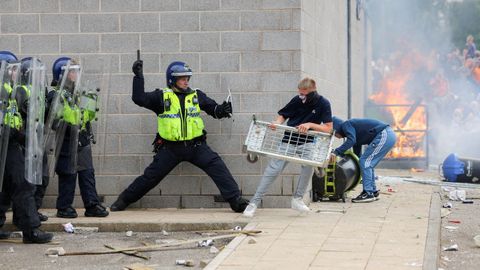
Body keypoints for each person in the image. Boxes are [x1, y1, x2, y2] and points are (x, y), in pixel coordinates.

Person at [110, 59, 249, 213]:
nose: (186, 81)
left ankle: (236, 201)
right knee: (150, 177)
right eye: (182, 78)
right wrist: (138, 77)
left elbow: (214, 109)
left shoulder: (196, 95)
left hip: (196, 147)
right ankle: (123, 200)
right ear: (172, 80)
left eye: (187, 78)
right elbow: (139, 99)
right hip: (170, 149)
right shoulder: (161, 97)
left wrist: (223, 109)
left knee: (218, 167)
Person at [243, 77, 333, 218]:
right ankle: (253, 203)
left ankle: (297, 199)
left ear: (313, 91)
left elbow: (328, 128)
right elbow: (283, 114)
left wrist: (310, 125)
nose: (301, 97)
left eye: (304, 94)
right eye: (300, 93)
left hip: (308, 142)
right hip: (289, 140)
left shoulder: (323, 103)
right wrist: (276, 123)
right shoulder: (297, 100)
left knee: (307, 168)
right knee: (273, 170)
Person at [0, 53, 53, 243]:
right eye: (12, 69)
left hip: (10, 143)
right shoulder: (3, 91)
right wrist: (17, 134)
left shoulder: (11, 90)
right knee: (24, 185)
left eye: (17, 69)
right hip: (5, 143)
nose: (16, 73)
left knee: (6, 188)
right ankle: (31, 231)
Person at [49, 57, 109, 218]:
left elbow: (88, 116)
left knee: (87, 173)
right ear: (63, 74)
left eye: (76, 71)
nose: (76, 74)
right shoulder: (56, 95)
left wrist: (90, 101)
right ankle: (64, 207)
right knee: (68, 174)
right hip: (67, 139)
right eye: (72, 71)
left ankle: (92, 204)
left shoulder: (78, 92)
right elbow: (55, 120)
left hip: (81, 138)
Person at [331, 117, 397, 202]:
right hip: (387, 135)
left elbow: (351, 141)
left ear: (336, 127)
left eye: (334, 133)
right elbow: (357, 154)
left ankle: (368, 193)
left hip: (385, 134)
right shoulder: (353, 133)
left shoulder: (346, 125)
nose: (335, 136)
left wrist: (336, 152)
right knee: (366, 163)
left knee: (366, 162)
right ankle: (372, 191)